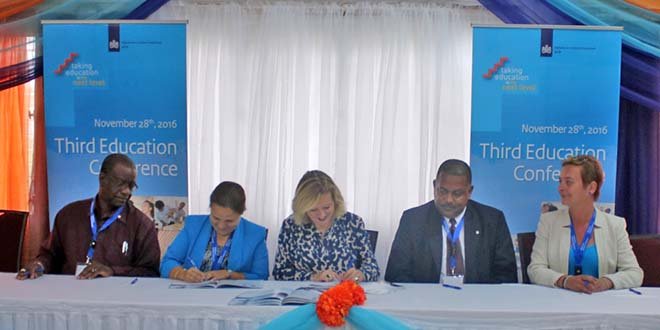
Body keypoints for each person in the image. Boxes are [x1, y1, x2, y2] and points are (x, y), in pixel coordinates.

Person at [17, 153, 160, 280]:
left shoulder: (142, 225)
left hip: (116, 303)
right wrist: (39, 264)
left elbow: (150, 272)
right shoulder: (68, 215)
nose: (127, 191)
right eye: (121, 184)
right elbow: (50, 255)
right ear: (102, 179)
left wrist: (112, 271)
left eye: (131, 186)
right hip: (68, 299)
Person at [385, 159, 517, 283]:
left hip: (477, 302)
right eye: (442, 191)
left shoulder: (492, 221)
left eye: (457, 194)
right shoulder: (413, 220)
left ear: (469, 192)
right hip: (427, 301)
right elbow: (396, 274)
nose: (448, 199)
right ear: (434, 186)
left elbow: (506, 275)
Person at [528, 155, 643, 292]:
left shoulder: (615, 225)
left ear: (591, 187)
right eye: (560, 181)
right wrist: (565, 281)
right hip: (558, 305)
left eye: (569, 182)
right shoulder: (548, 222)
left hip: (601, 307)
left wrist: (607, 282)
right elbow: (535, 269)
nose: (560, 188)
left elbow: (635, 273)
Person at [272, 170, 379, 282]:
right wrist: (312, 277)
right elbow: (279, 272)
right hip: (303, 296)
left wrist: (360, 275)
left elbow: (373, 268)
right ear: (302, 207)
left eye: (327, 207)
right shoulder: (290, 226)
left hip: (344, 295)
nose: (322, 215)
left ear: (335, 202)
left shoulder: (353, 223)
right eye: (313, 210)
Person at [161, 181, 268, 281]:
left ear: (241, 213)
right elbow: (167, 262)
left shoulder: (255, 234)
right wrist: (182, 274)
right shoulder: (193, 226)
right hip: (192, 297)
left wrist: (231, 274)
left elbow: (261, 277)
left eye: (229, 221)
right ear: (210, 209)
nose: (221, 226)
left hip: (235, 298)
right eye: (216, 218)